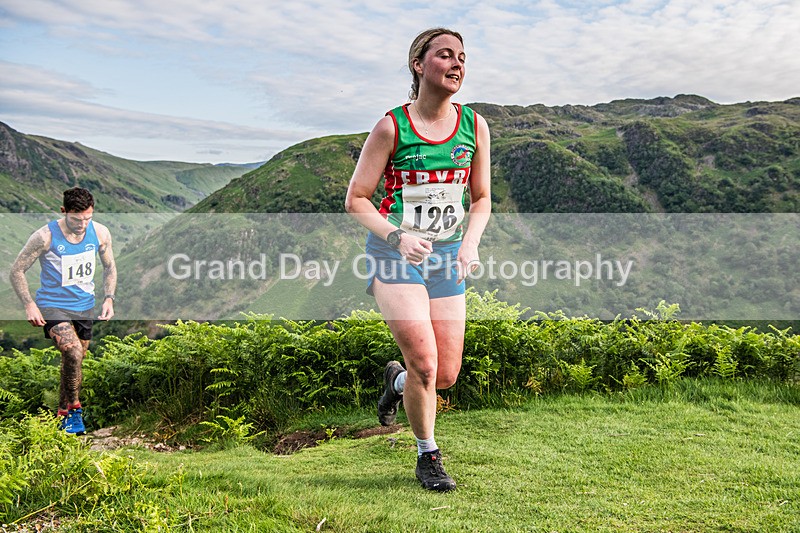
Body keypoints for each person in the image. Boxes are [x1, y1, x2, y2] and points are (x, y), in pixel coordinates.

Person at [345, 28, 491, 491]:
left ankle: (395, 382)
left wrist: (469, 243)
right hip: (395, 255)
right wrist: (397, 236)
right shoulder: (392, 126)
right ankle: (428, 455)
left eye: (462, 57)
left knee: (444, 374)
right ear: (418, 64)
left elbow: (482, 198)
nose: (456, 64)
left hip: (447, 254)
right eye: (444, 55)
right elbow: (356, 199)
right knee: (426, 363)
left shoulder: (474, 126)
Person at [10, 187, 116, 435]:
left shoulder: (100, 232)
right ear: (64, 211)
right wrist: (29, 304)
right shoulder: (45, 236)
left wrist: (109, 298)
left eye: (87, 218)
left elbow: (110, 267)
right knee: (73, 351)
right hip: (52, 304)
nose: (82, 224)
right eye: (76, 219)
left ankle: (61, 414)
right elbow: (16, 270)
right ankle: (76, 411)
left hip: (84, 306)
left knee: (74, 361)